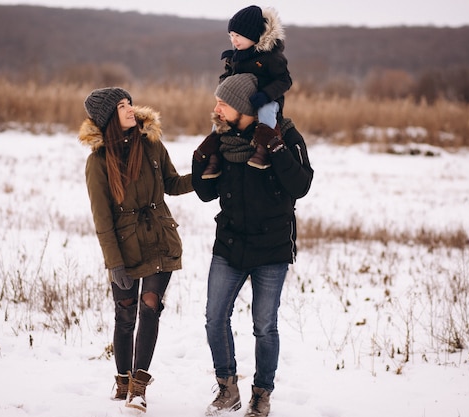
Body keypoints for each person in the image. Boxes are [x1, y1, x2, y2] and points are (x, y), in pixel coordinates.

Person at [192, 73, 314, 417]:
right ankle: (227, 389)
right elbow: (206, 194)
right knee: (215, 318)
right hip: (230, 244)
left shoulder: (284, 135)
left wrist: (274, 147)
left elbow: (301, 185)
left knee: (264, 325)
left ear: (244, 108)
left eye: (223, 102)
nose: (216, 107)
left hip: (271, 247)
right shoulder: (223, 139)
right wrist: (200, 158)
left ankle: (262, 394)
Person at [78, 87, 193, 413]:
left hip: (159, 239)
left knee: (150, 307)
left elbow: (171, 184)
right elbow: (103, 220)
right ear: (108, 117)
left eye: (129, 103)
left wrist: (204, 175)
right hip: (125, 250)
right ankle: (122, 381)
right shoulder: (98, 162)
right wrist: (114, 264)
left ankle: (139, 388)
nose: (131, 109)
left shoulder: (152, 145)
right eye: (122, 106)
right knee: (125, 314)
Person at [202, 4, 292, 179]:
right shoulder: (236, 57)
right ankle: (214, 155)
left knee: (266, 112)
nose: (234, 41)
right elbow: (226, 76)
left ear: (253, 35)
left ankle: (263, 149)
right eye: (231, 36)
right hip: (239, 101)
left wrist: (266, 95)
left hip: (266, 99)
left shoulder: (271, 57)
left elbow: (284, 80)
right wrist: (226, 89)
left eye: (238, 36)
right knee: (218, 118)